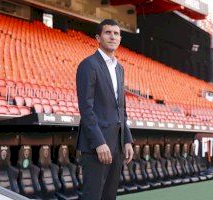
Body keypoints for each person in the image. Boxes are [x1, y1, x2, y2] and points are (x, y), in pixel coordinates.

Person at [76, 19, 134, 200]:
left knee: (109, 196)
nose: (113, 36)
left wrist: (127, 140)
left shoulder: (120, 69)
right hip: (97, 145)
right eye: (108, 32)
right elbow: (86, 109)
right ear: (98, 38)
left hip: (116, 144)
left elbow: (121, 108)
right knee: (93, 196)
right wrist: (99, 143)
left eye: (116, 33)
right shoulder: (88, 65)